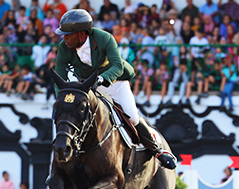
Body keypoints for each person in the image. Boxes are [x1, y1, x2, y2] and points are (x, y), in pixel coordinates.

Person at [53, 9, 176, 169]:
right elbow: (60, 76)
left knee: (132, 116)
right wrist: (61, 99)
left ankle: (157, 149)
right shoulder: (64, 47)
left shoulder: (104, 38)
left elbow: (117, 65)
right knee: (73, 115)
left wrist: (101, 79)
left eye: (68, 34)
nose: (65, 38)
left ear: (82, 34)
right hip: (87, 86)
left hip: (114, 82)